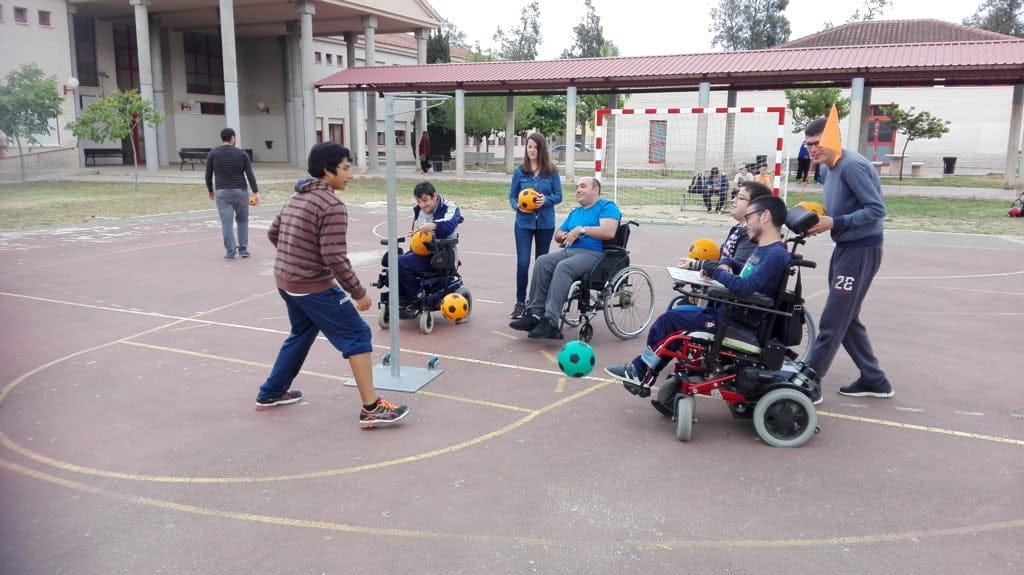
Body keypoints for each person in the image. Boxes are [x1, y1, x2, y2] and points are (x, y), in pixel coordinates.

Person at [256, 142, 410, 427]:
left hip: (286, 282)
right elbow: (334, 257)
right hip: (312, 286)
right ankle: (371, 408)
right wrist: (358, 293)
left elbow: (274, 233)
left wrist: (296, 259)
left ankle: (272, 392)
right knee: (358, 335)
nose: (351, 175)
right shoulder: (331, 205)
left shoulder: (297, 196)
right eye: (346, 168)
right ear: (328, 171)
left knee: (302, 332)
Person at [605, 195, 791, 389]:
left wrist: (715, 271)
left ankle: (641, 371)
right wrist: (725, 263)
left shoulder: (775, 254)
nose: (746, 224)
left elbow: (745, 287)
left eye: (749, 217)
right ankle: (644, 371)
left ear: (765, 216)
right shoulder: (765, 250)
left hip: (738, 323)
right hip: (731, 314)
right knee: (676, 315)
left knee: (670, 322)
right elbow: (743, 270)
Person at [802, 109, 891, 399]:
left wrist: (836, 222)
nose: (813, 149)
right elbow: (838, 209)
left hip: (862, 249)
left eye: (818, 143)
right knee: (847, 317)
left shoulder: (852, 166)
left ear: (833, 140)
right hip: (845, 247)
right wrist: (818, 221)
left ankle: (810, 381)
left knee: (834, 317)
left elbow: (877, 210)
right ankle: (875, 380)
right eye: (808, 144)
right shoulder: (827, 168)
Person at [509, 176, 619, 340]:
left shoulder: (607, 206)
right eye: (577, 187)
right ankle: (535, 314)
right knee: (542, 261)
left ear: (595, 189)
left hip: (594, 254)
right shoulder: (576, 212)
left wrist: (581, 230)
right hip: (571, 250)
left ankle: (550, 321)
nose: (578, 190)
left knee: (564, 267)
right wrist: (566, 235)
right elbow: (558, 234)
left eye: (583, 186)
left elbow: (609, 232)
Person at [508, 132, 563, 319]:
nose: (532, 150)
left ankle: (537, 303)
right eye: (529, 147)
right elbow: (512, 196)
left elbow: (559, 196)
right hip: (523, 224)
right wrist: (517, 205)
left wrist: (545, 200)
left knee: (541, 263)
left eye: (535, 147)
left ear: (542, 150)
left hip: (545, 224)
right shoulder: (520, 171)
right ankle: (520, 302)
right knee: (523, 263)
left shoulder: (551, 172)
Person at [678, 180, 773, 274]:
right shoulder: (738, 229)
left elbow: (735, 269)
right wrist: (700, 265)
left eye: (740, 198)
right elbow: (723, 261)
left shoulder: (752, 236)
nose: (733, 200)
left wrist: (698, 265)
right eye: (735, 196)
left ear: (755, 206)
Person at [396, 181, 462, 307]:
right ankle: (401, 297)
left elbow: (449, 226)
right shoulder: (418, 209)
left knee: (400, 262)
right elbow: (420, 232)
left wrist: (433, 226)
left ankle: (415, 295)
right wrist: (417, 233)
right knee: (393, 262)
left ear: (434, 196)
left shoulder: (450, 207)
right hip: (422, 252)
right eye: (419, 201)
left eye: (425, 200)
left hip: (442, 255)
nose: (422, 205)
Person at [205, 127, 259, 260]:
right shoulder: (241, 153)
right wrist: (256, 192)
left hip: (222, 192)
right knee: (242, 220)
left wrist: (211, 190)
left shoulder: (213, 153)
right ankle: (243, 249)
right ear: (233, 138)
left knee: (227, 223)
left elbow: (208, 175)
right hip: (240, 191)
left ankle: (230, 252)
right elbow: (249, 174)